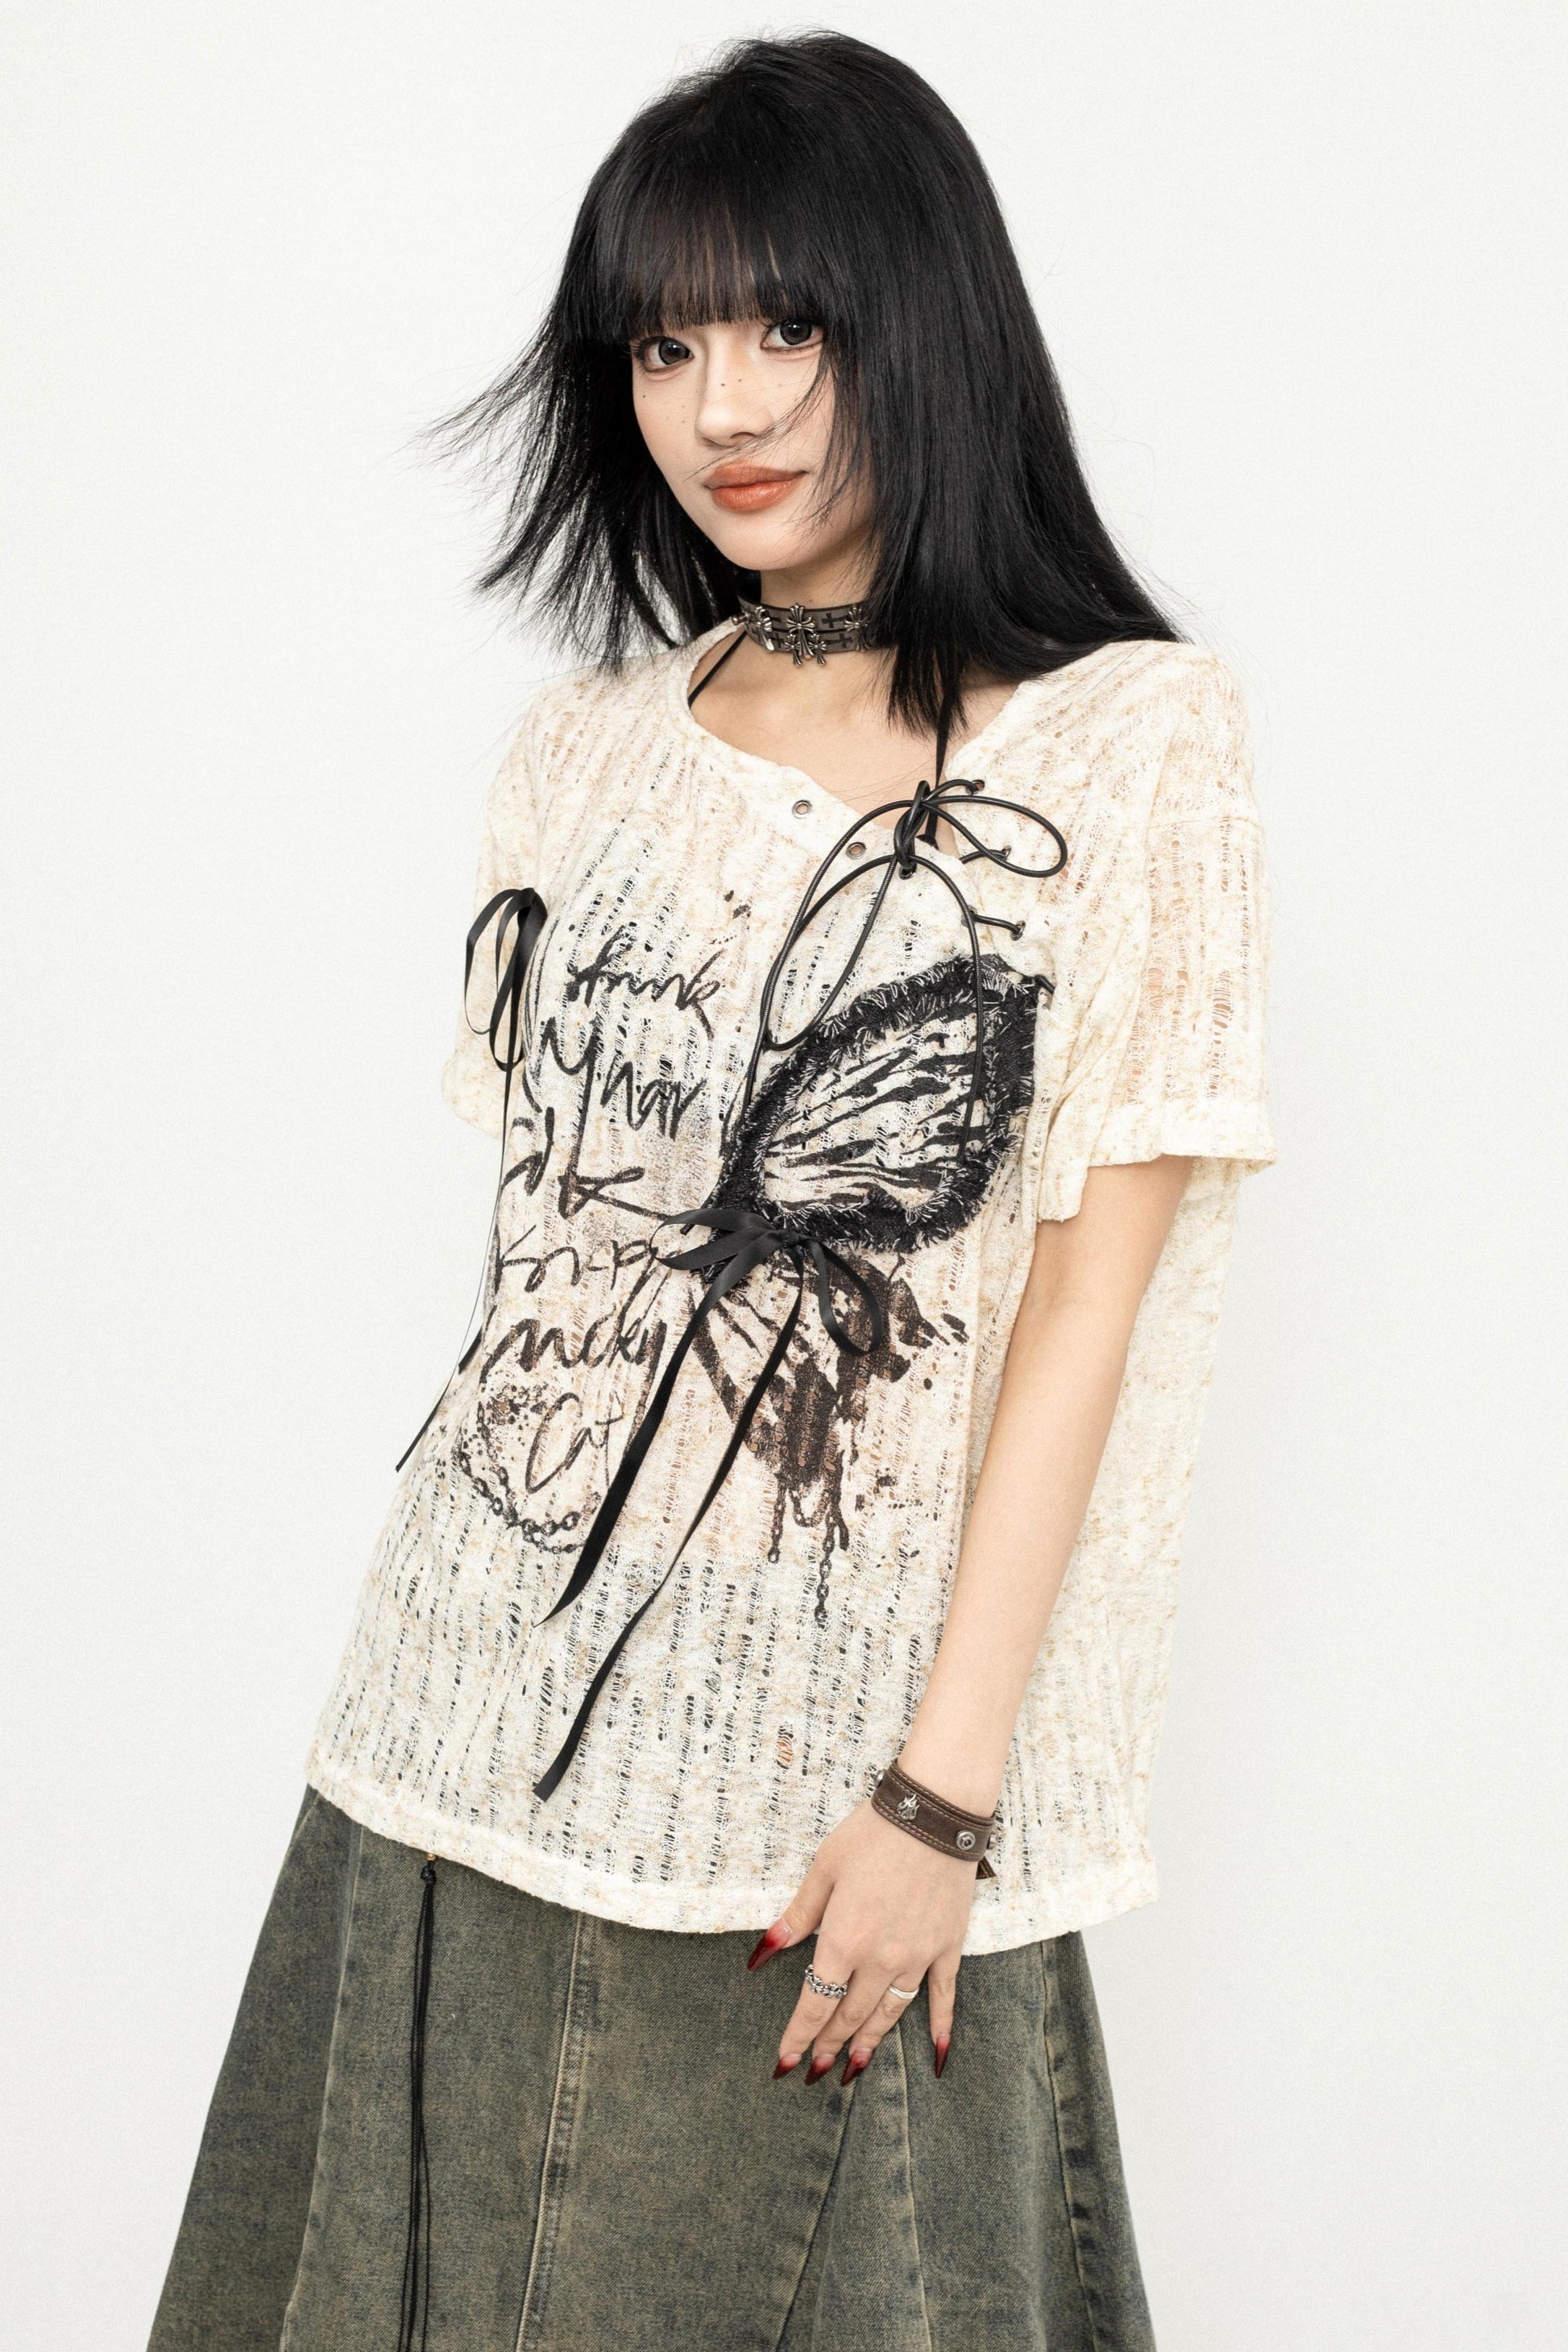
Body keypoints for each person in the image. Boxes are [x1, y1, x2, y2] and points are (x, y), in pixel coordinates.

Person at [149, 32, 1272, 2352]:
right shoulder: (583, 757)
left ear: (922, 325)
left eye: (786, 328)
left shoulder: (1129, 745)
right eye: (663, 346)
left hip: (837, 1801)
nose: (721, 406)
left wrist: (941, 1801)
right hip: (448, 1744)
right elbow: (545, 1270)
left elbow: (1083, 1307)